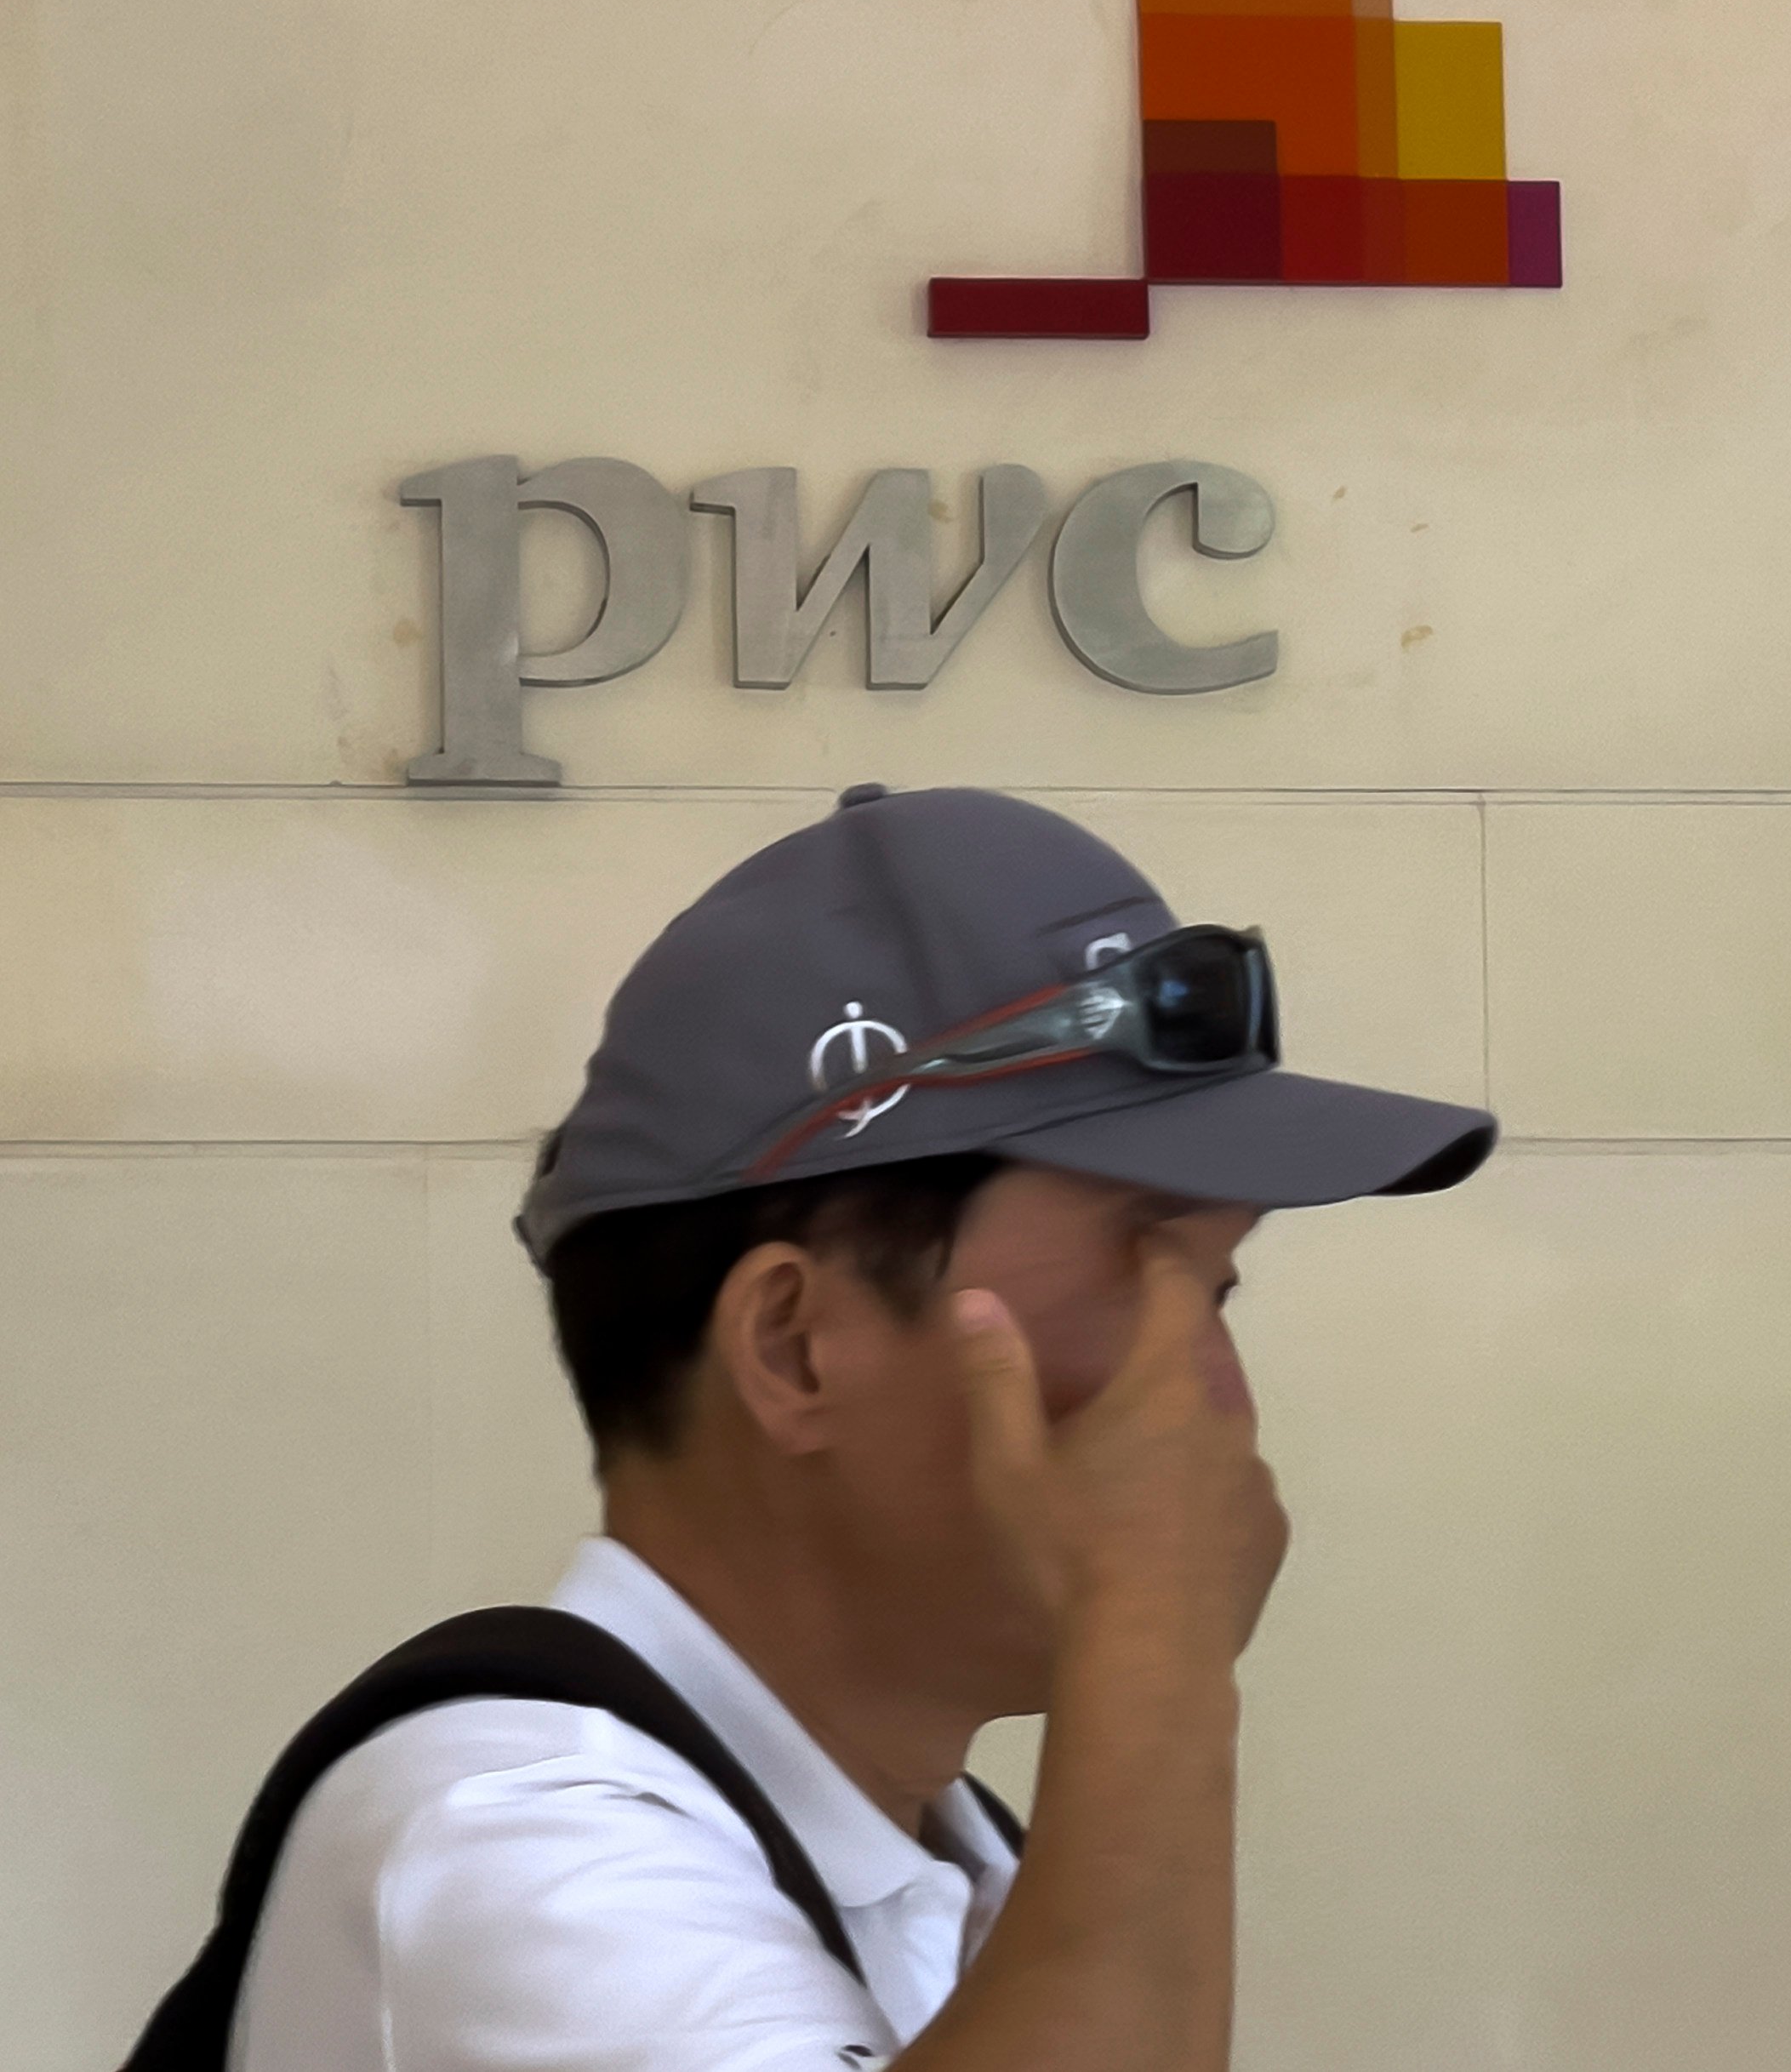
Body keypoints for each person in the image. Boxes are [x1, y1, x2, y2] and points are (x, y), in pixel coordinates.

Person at [130, 783, 1495, 2072]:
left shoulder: (962, 1881)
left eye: (1220, 1292)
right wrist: (1155, 1649)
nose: (1214, 1400)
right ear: (793, 1345)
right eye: (1142, 1274)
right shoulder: (509, 1845)